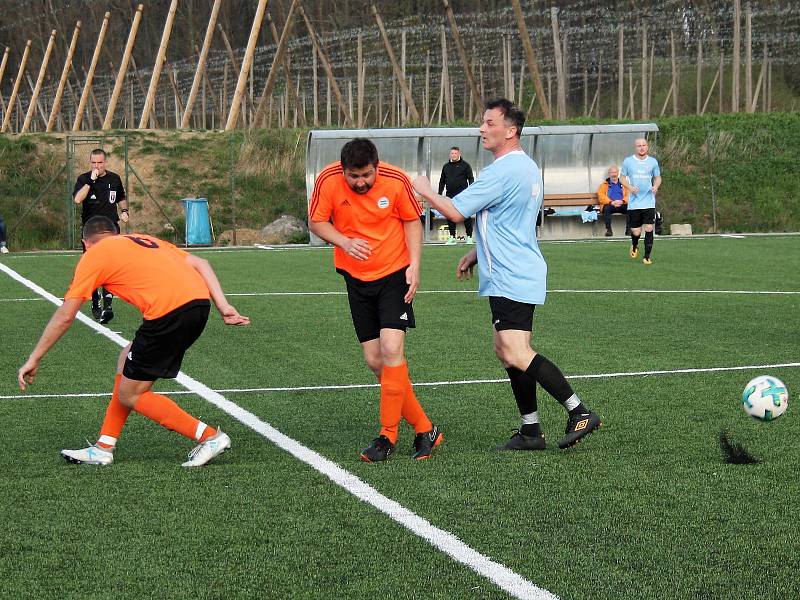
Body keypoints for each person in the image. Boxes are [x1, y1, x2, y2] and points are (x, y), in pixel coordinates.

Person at [413, 98, 601, 451]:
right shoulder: (525, 167)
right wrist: (477, 251)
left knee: (516, 350)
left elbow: (454, 211)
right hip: (513, 268)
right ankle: (530, 430)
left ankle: (579, 410)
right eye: (482, 122)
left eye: (489, 123)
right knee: (505, 349)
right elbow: (509, 219)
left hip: (512, 273)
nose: (481, 129)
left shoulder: (504, 170)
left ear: (510, 130)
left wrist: (425, 190)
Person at [17, 215, 250, 467]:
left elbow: (65, 315)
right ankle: (104, 447)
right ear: (115, 232)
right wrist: (224, 306)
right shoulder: (144, 239)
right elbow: (201, 263)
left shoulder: (94, 255)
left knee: (130, 395)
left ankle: (210, 437)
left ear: (85, 243)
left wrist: (35, 357)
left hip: (169, 312)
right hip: (199, 305)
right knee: (125, 358)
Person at [308, 138, 442, 462]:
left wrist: (415, 266)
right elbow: (316, 221)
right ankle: (425, 428)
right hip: (355, 279)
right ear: (343, 171)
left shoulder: (396, 181)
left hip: (394, 274)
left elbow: (412, 220)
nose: (361, 182)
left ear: (376, 167)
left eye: (366, 175)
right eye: (354, 176)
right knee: (375, 360)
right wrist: (344, 241)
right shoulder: (327, 180)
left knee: (392, 349)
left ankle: (387, 435)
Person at [73, 148, 129, 323]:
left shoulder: (114, 178)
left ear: (105, 162)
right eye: (94, 163)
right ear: (90, 163)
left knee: (110, 267)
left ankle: (108, 306)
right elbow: (77, 199)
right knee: (93, 268)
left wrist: (125, 210)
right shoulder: (83, 179)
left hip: (110, 229)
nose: (97, 165)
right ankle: (95, 299)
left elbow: (121, 197)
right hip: (91, 231)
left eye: (100, 162)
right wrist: (91, 181)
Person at [620, 138, 661, 265]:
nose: (641, 147)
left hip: (648, 201)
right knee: (636, 231)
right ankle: (634, 244)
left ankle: (647, 256)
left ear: (647, 146)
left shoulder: (653, 162)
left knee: (649, 228)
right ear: (635, 147)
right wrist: (630, 187)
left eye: (644, 145)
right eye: (639, 146)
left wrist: (656, 186)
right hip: (634, 203)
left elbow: (657, 177)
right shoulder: (628, 161)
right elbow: (622, 178)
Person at [438, 146, 475, 244]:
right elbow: (442, 181)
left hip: (463, 195)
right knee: (450, 216)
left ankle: (469, 237)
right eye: (452, 153)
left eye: (455, 153)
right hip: (450, 195)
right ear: (450, 154)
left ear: (459, 154)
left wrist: (470, 192)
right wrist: (439, 194)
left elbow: (471, 179)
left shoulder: (465, 165)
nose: (453, 155)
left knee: (466, 215)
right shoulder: (446, 166)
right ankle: (452, 237)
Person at [596, 165, 629, 237]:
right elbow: (600, 196)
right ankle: (609, 230)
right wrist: (611, 202)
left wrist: (622, 201)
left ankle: (628, 230)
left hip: (622, 204)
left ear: (618, 173)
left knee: (630, 208)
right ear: (609, 173)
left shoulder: (624, 184)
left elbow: (629, 195)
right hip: (610, 204)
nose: (614, 174)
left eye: (615, 172)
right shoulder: (603, 185)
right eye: (612, 172)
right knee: (606, 208)